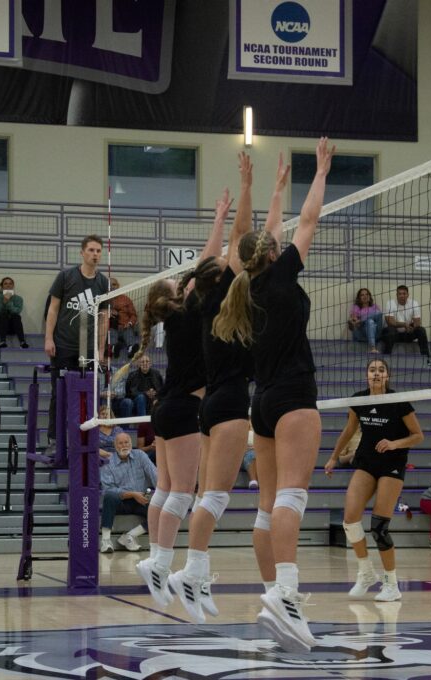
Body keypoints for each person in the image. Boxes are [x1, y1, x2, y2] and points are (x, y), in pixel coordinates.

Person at [212, 137, 334, 653]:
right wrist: (320, 171)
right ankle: (286, 594)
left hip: (261, 402)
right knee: (291, 498)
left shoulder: (243, 283)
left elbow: (270, 234)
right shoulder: (282, 275)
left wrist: (274, 190)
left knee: (266, 506)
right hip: (293, 397)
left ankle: (272, 599)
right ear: (275, 255)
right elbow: (306, 223)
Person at [129, 188, 234, 616]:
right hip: (185, 407)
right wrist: (220, 221)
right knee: (181, 494)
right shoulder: (189, 312)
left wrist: (219, 217)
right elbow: (204, 266)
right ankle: (160, 563)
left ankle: (156, 559)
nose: (185, 281)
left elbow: (198, 269)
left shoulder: (173, 317)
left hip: (164, 408)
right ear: (177, 295)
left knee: (167, 490)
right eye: (180, 283)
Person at [171, 155, 266, 624]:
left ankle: (196, 572)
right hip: (228, 404)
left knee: (207, 493)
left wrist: (232, 206)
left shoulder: (199, 306)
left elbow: (225, 247)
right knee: (215, 496)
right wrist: (248, 186)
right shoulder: (229, 297)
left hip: (210, 405)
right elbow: (239, 241)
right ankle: (191, 570)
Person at [326, 358, 424, 601]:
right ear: (366, 375)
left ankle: (391, 584)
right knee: (350, 519)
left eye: (381, 370)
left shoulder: (398, 402)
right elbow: (348, 431)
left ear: (387, 376)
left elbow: (418, 436)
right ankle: (366, 572)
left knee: (379, 527)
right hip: (366, 463)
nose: (376, 374)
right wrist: (333, 457)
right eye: (372, 370)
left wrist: (394, 444)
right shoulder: (358, 399)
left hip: (392, 464)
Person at [44, 235, 110, 441]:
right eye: (91, 250)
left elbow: (103, 318)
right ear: (82, 252)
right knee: (59, 395)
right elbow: (53, 309)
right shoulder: (65, 277)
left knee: (87, 396)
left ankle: (85, 439)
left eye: (98, 251)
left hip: (88, 349)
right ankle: (55, 440)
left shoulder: (103, 282)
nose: (95, 254)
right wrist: (48, 339)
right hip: (63, 345)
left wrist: (100, 349)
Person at [100, 432, 157, 554]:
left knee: (160, 512)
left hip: (140, 500)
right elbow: (108, 489)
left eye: (126, 442)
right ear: (115, 446)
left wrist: (161, 494)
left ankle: (130, 536)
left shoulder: (140, 455)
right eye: (120, 443)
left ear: (131, 444)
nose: (124, 445)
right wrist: (132, 494)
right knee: (109, 496)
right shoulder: (108, 462)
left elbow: (154, 475)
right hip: (121, 502)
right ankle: (105, 540)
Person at [381, 285, 431, 363]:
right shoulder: (390, 303)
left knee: (421, 330)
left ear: (408, 295)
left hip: (406, 333)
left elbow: (417, 322)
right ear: (396, 295)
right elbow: (390, 322)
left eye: (404, 293)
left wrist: (412, 328)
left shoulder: (414, 303)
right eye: (399, 294)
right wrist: (404, 324)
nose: (402, 296)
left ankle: (427, 359)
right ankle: (385, 360)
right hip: (392, 334)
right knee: (391, 330)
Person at [0, 276, 29, 349]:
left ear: (13, 286)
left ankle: (22, 341)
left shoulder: (18, 299)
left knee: (16, 316)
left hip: (12, 327)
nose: (8, 285)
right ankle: (2, 341)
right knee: (4, 315)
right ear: (2, 286)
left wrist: (8, 303)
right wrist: (4, 302)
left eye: (10, 283)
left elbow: (17, 311)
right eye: (5, 284)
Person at [108, 277, 140, 359]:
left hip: (125, 327)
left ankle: (131, 348)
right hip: (111, 328)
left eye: (114, 284)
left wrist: (129, 323)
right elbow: (98, 314)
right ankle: (114, 347)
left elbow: (134, 315)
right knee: (111, 333)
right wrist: (107, 313)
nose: (112, 287)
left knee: (128, 333)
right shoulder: (104, 300)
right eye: (109, 285)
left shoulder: (126, 299)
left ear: (118, 286)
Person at [347, 288, 383, 353]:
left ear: (369, 296)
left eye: (367, 294)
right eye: (362, 295)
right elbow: (354, 320)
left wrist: (361, 319)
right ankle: (373, 348)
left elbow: (379, 317)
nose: (365, 296)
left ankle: (361, 320)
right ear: (359, 298)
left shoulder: (374, 307)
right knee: (368, 322)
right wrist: (354, 321)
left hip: (376, 335)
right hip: (361, 335)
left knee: (376, 316)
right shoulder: (356, 307)